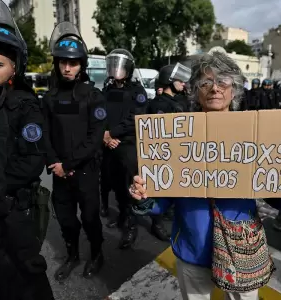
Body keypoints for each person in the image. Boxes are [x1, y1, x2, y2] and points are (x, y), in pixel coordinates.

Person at [128, 51, 281, 300]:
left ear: (234, 90)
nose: (215, 88)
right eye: (206, 82)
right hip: (193, 249)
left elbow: (276, 189)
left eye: (223, 81)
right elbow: (163, 195)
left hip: (242, 248)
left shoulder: (254, 133)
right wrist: (144, 197)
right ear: (195, 91)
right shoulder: (177, 134)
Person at [0, 0, 53, 299]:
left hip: (11, 211)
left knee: (27, 277)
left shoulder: (25, 106)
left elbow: (32, 162)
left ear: (14, 67)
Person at [43, 21, 105, 280]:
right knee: (66, 221)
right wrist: (55, 163)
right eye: (62, 62)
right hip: (59, 173)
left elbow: (95, 139)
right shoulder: (49, 97)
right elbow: (44, 134)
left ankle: (97, 254)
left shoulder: (94, 96)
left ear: (81, 65)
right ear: (57, 63)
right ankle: (72, 255)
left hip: (85, 172)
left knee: (90, 219)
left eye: (73, 63)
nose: (67, 68)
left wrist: (68, 165)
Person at [102, 49, 147, 249]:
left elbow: (135, 118)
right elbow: (99, 113)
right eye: (112, 64)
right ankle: (121, 216)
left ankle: (131, 225)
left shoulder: (137, 92)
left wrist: (113, 133)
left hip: (127, 146)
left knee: (130, 188)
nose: (115, 68)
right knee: (116, 185)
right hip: (109, 145)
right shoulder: (107, 89)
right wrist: (105, 135)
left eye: (119, 64)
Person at [144, 62, 192, 241]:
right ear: (169, 81)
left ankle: (168, 211)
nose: (183, 84)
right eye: (180, 80)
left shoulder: (180, 101)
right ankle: (156, 223)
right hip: (163, 154)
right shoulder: (159, 104)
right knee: (160, 189)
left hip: (181, 152)